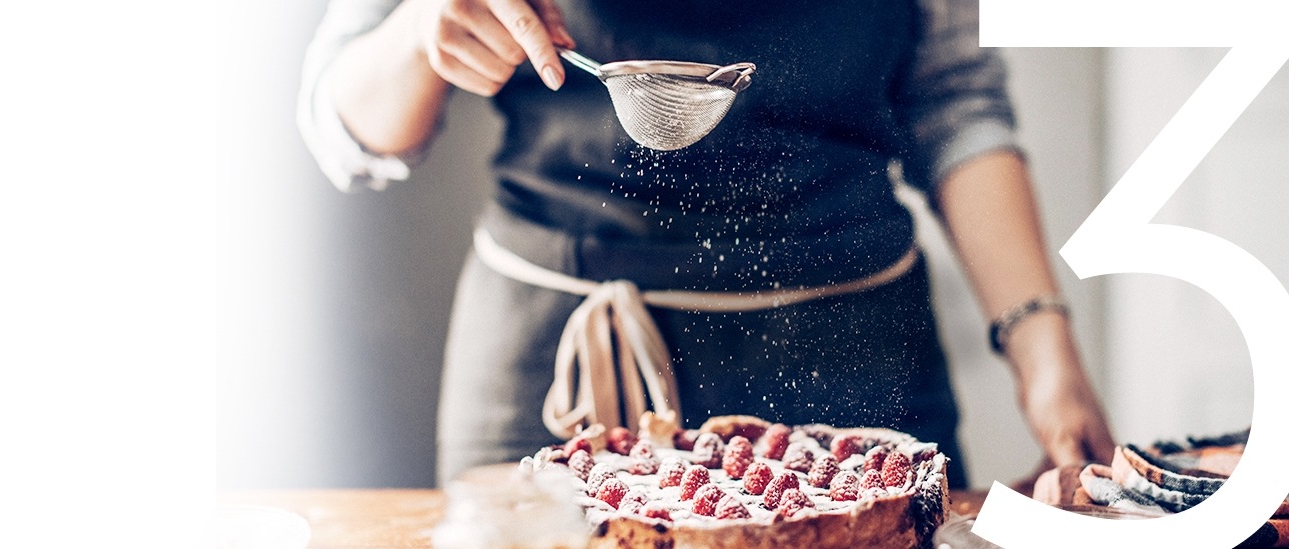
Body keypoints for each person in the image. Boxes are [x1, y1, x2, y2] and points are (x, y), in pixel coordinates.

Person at [298, 0, 1116, 488]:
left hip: (857, 372)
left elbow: (953, 94)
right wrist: (415, 33)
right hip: (562, 368)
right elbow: (344, 123)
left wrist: (1044, 349)